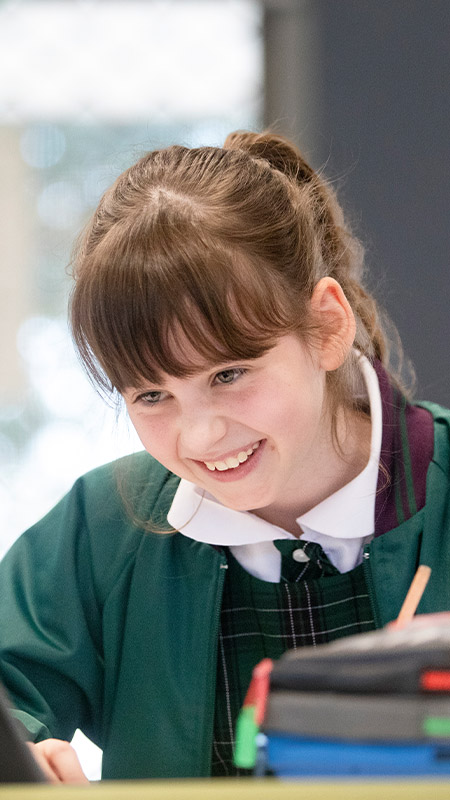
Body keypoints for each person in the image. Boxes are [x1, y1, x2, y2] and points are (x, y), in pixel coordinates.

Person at [1, 130, 449, 783]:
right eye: (153, 394)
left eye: (230, 374)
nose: (202, 437)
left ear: (326, 326)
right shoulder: (101, 533)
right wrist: (27, 762)